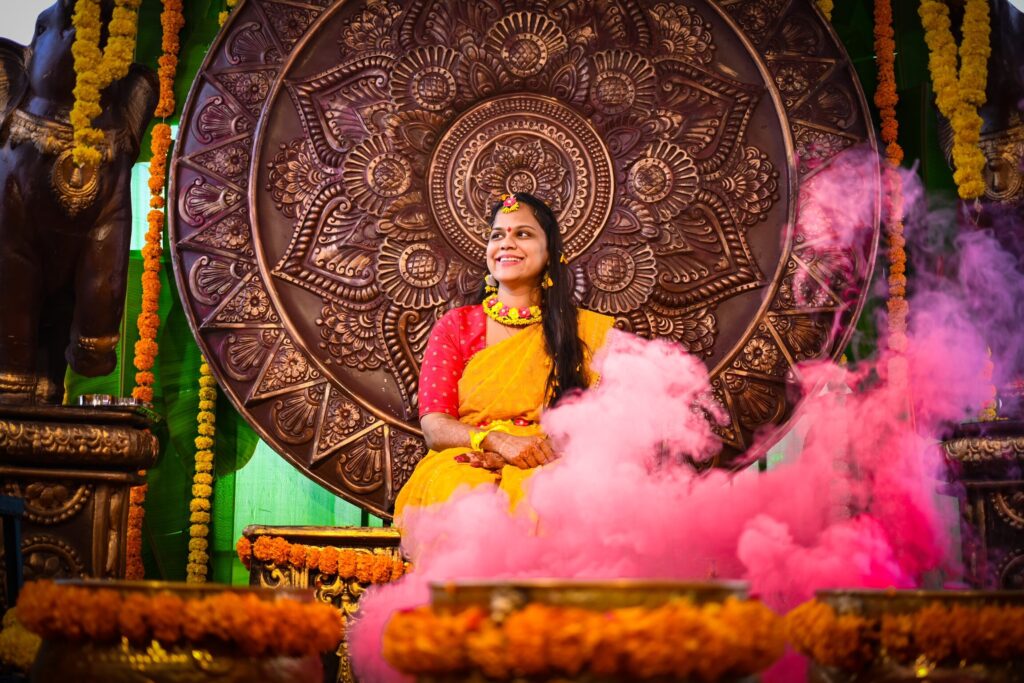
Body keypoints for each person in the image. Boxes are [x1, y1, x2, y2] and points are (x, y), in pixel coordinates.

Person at [394, 192, 614, 516]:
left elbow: (609, 425)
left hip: (554, 460)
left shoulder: (586, 332)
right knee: (460, 491)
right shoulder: (457, 326)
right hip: (471, 460)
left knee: (567, 492)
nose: (506, 243)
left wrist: (538, 452)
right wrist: (496, 442)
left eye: (522, 233)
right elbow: (435, 427)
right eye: (498, 235)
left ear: (551, 252)